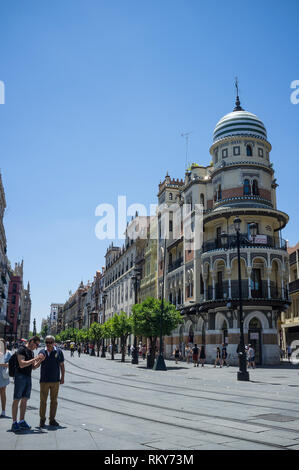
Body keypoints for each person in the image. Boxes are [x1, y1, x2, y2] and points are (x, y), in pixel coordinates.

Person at [11, 336, 44, 432]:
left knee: (25, 399)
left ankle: (21, 421)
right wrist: (35, 359)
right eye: (36, 344)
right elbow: (22, 364)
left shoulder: (31, 352)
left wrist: (40, 360)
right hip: (20, 376)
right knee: (17, 399)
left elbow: (33, 367)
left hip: (28, 377)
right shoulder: (21, 349)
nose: (36, 347)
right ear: (31, 341)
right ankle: (14, 422)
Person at [39, 335, 65, 428]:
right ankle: (42, 419)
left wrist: (62, 378)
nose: (48, 344)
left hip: (55, 380)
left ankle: (52, 419)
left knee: (54, 401)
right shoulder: (42, 352)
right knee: (43, 401)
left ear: (54, 343)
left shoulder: (59, 351)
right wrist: (38, 359)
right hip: (44, 380)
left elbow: (62, 365)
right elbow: (37, 365)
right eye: (47, 342)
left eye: (50, 342)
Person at [0, 338, 12, 417]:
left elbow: (10, 364)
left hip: (3, 374)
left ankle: (3, 411)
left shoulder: (8, 352)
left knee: (3, 391)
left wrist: (2, 364)